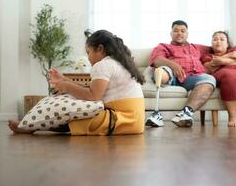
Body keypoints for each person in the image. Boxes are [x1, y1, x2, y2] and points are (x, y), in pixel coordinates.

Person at [8, 29, 146, 135]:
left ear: (100, 49)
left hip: (122, 118)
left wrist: (67, 86)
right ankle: (29, 125)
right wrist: (65, 80)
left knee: (76, 117)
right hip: (134, 120)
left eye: (88, 52)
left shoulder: (103, 65)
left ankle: (29, 126)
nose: (88, 58)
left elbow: (93, 96)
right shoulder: (116, 62)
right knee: (76, 105)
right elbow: (91, 89)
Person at [145, 20, 216, 128]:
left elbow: (216, 48)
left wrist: (235, 52)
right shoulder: (163, 46)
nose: (179, 33)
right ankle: (156, 114)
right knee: (162, 70)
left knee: (209, 79)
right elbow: (156, 60)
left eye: (183, 31)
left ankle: (186, 113)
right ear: (171, 34)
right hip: (171, 76)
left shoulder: (196, 47)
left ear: (187, 34)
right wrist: (174, 65)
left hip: (190, 78)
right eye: (176, 31)